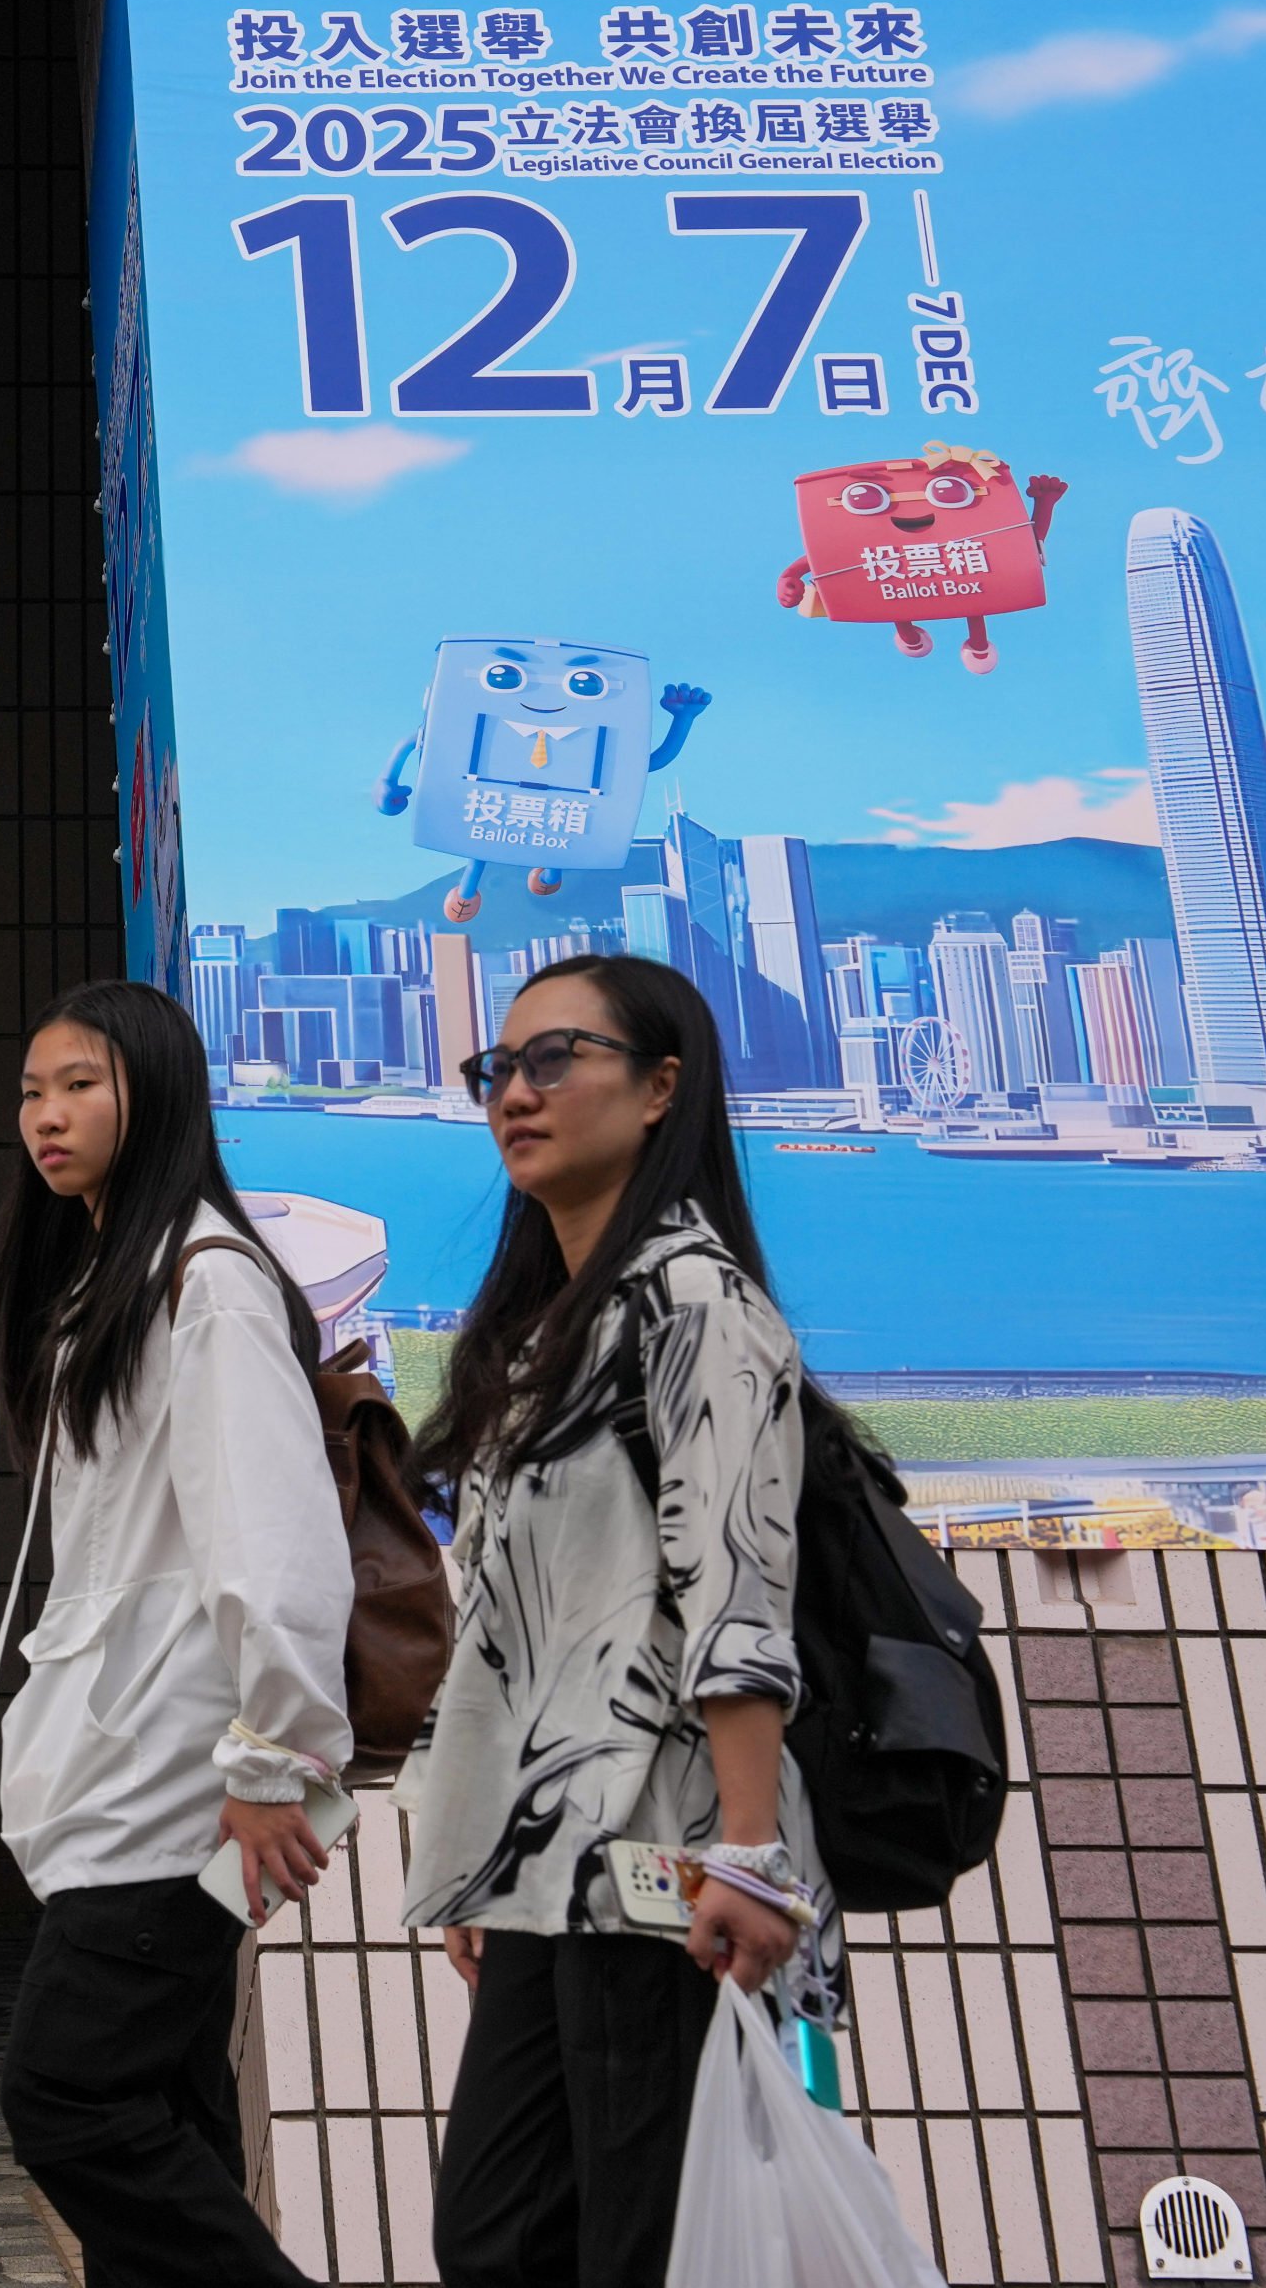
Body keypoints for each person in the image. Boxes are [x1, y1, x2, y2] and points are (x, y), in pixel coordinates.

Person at [396, 952, 835, 2288]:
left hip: (666, 1860)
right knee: (502, 2241)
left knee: (633, 2247)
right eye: (496, 1069)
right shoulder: (545, 1333)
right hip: (552, 1873)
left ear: (660, 1091)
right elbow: (516, 1629)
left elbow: (736, 1590)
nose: (512, 1094)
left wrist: (751, 1852)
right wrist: (487, 1851)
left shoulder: (699, 1307)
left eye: (552, 1060)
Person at [0, 979, 355, 2288]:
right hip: (126, 1777)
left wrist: (268, 1767)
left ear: (161, 1094)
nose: (48, 1114)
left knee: (69, 2101)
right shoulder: (109, 1283)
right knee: (171, 2119)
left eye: (83, 1083)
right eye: (32, 1090)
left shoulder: (209, 1285)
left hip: (174, 1792)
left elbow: (277, 1549)